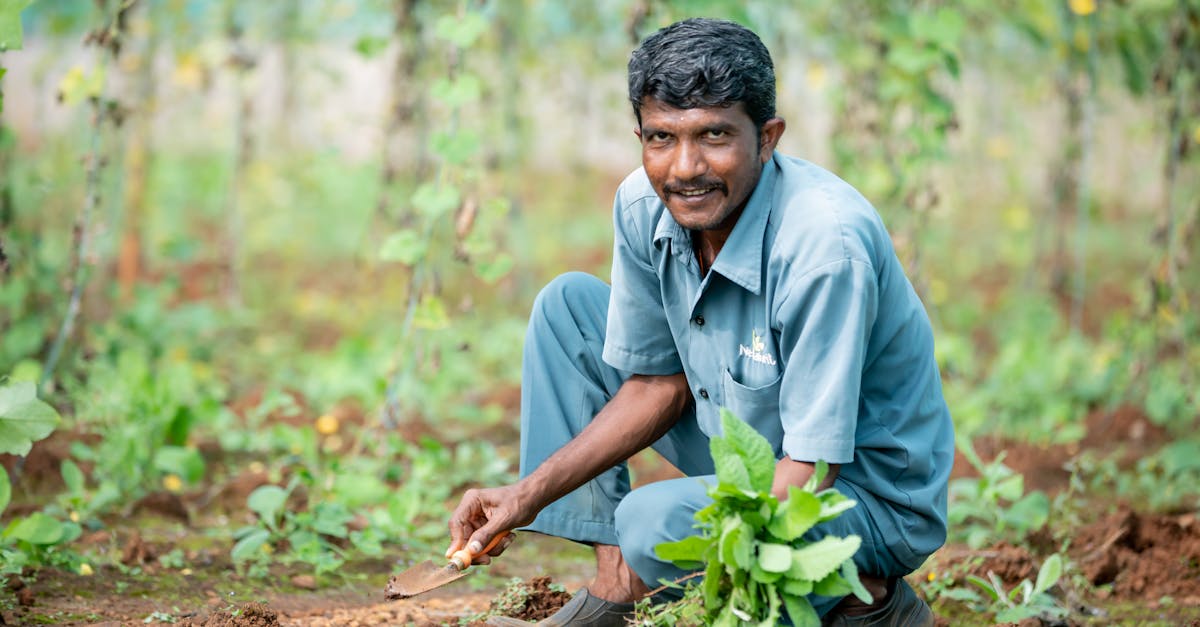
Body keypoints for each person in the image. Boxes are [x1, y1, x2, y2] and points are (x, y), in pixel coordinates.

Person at [445, 17, 953, 627]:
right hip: (752, 449)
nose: (684, 168)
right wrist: (522, 497)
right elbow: (659, 382)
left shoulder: (823, 244)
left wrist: (691, 574)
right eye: (661, 138)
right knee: (569, 311)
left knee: (652, 522)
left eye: (714, 135)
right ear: (640, 135)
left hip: (861, 497)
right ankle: (615, 590)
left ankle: (862, 595)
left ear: (767, 138)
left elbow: (816, 465)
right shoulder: (643, 204)